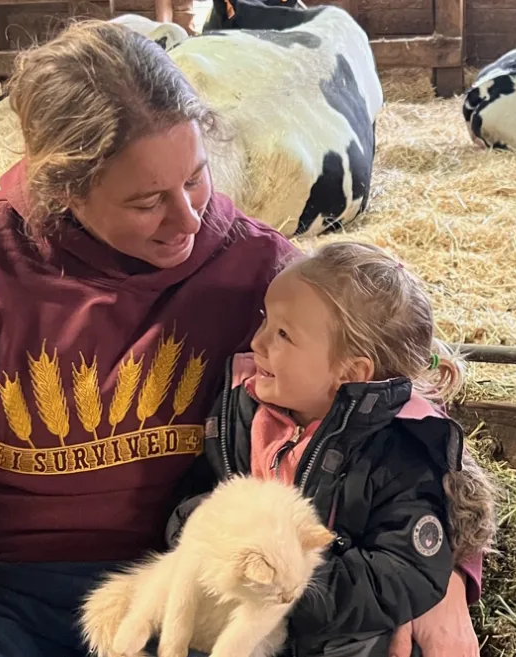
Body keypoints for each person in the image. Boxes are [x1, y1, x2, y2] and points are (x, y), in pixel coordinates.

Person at [0, 18, 486, 657]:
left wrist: (443, 571)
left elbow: (395, 404)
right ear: (63, 190)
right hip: (1, 597)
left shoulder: (258, 270)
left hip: (198, 589)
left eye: (196, 177)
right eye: (146, 201)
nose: (189, 218)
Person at [151, 241, 492, 656]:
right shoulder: (243, 414)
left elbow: (406, 570)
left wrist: (292, 590)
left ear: (350, 373)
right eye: (265, 321)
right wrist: (197, 527)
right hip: (241, 613)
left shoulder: (398, 452)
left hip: (338, 638)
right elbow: (202, 489)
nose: (256, 344)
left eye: (282, 334)